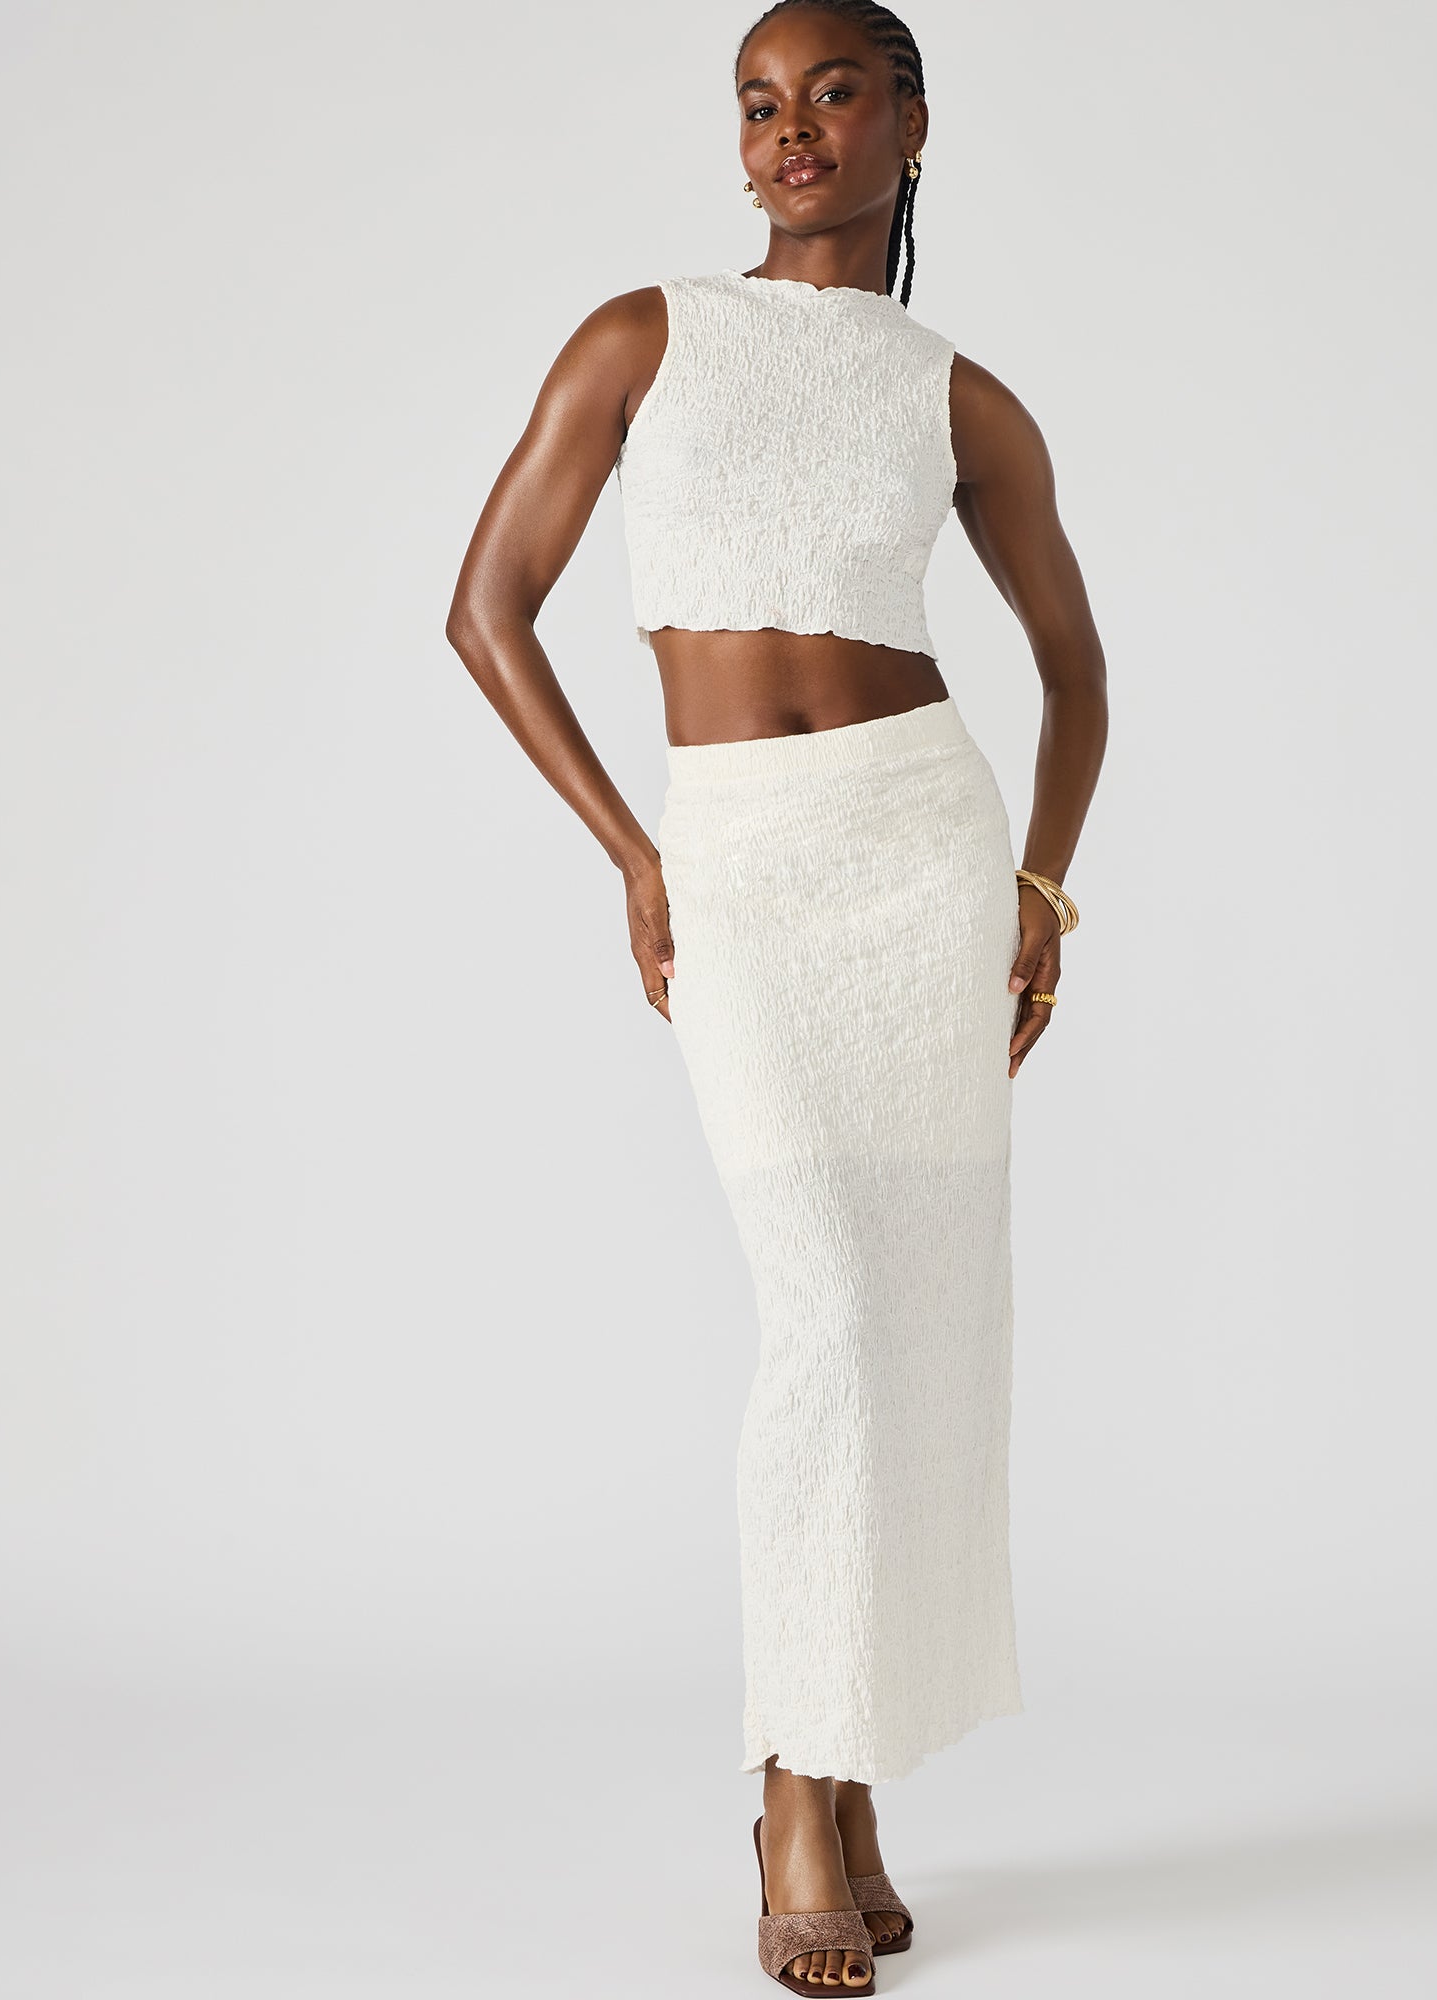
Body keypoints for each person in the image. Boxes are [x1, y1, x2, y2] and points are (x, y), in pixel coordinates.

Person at [445, 2, 1107, 1988]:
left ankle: (840, 1772)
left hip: (920, 848)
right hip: (738, 855)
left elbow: (1075, 669)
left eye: (829, 93)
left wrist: (1039, 882)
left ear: (911, 120)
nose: (787, 130)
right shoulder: (641, 336)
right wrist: (632, 853)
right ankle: (795, 1792)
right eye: (755, 102)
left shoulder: (957, 396)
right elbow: (484, 608)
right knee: (826, 1305)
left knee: (920, 1332)